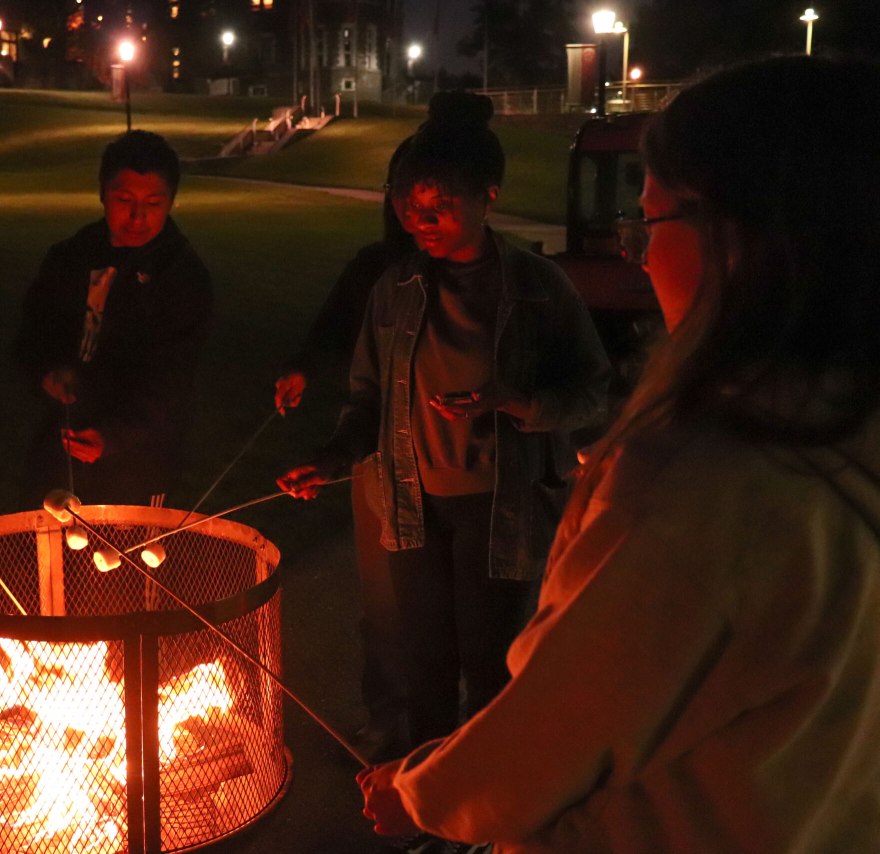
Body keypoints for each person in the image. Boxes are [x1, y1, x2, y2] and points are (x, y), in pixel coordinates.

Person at [358, 55, 880, 851]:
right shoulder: (837, 431)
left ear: (737, 231)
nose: (637, 254)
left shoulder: (703, 483)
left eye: (651, 220)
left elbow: (556, 726)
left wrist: (423, 798)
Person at [279, 92, 609, 753]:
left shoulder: (540, 288)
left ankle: (487, 809)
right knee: (422, 665)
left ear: (489, 196)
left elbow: (593, 390)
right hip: (411, 508)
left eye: (440, 207)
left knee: (491, 665)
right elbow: (368, 398)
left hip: (499, 509)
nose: (421, 220)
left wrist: (514, 402)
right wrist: (334, 457)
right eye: (408, 206)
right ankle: (431, 799)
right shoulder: (395, 289)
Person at [274, 133, 415, 763]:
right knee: (384, 606)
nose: (413, 214)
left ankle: (450, 731)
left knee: (446, 610)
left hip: (455, 474)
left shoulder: (489, 279)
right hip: (376, 465)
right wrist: (304, 367)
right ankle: (390, 722)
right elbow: (337, 332)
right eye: (402, 196)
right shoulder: (374, 269)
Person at [15, 130, 213, 507]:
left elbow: (172, 380)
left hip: (138, 455)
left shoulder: (181, 277)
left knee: (128, 557)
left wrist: (114, 436)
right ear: (102, 193)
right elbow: (33, 332)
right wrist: (46, 371)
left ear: (171, 201)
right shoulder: (71, 257)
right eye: (124, 199)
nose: (138, 216)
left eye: (153, 203)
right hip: (62, 439)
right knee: (46, 546)